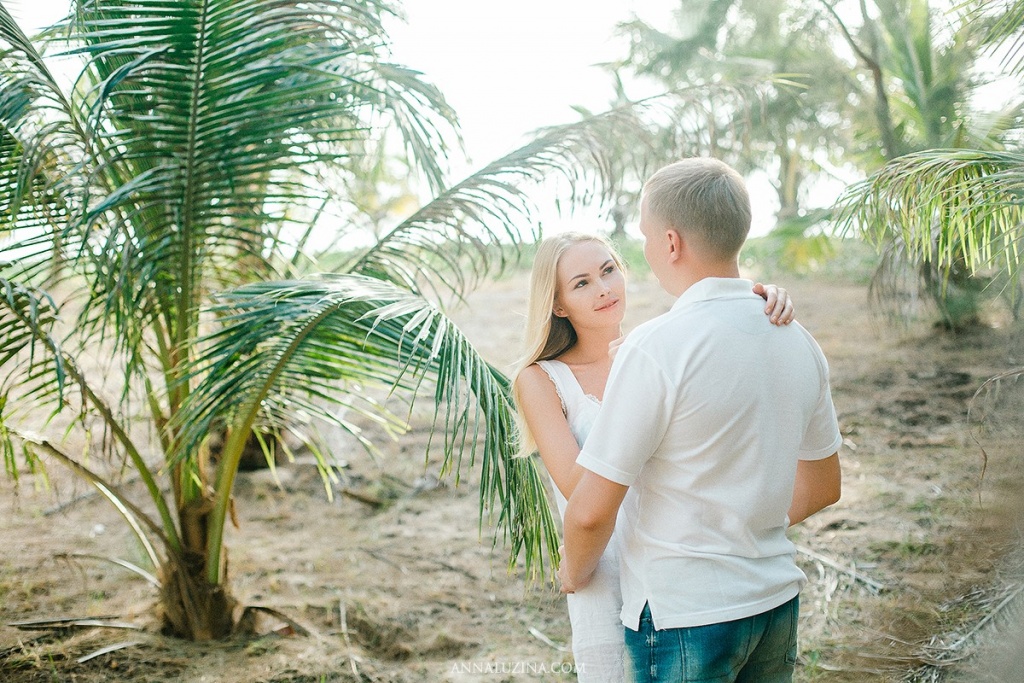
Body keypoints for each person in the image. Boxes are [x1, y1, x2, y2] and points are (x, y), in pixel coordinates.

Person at [557, 158, 843, 683]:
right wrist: (740, 528)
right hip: (774, 603)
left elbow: (591, 512)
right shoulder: (799, 339)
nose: (644, 251)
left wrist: (572, 574)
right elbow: (824, 487)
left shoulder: (656, 346)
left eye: (646, 236)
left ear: (671, 242)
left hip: (685, 615)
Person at [512, 231, 796, 682]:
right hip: (601, 567)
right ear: (558, 304)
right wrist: (632, 384)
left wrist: (755, 301)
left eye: (608, 271)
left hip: (680, 564)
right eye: (582, 283)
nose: (604, 288)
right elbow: (580, 491)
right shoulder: (542, 379)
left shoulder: (656, 349)